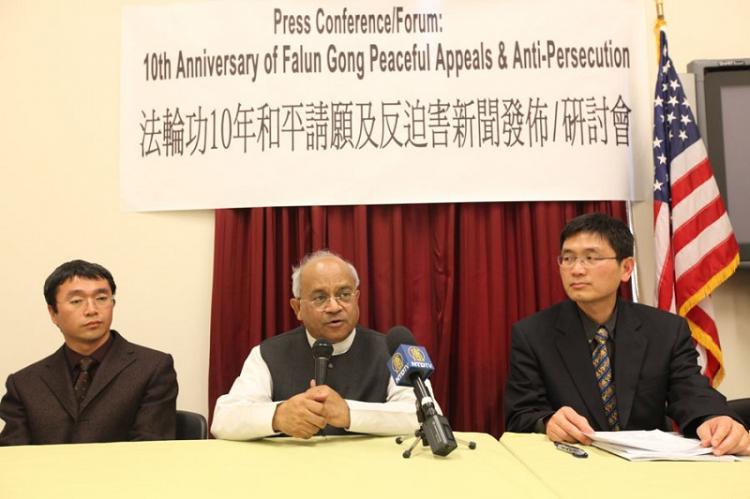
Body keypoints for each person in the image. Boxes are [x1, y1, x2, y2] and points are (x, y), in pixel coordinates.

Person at [504, 213, 750, 456]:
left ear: (626, 268)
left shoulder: (665, 330)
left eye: (591, 258)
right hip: (574, 465)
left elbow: (691, 392)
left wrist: (716, 418)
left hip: (648, 468)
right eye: (567, 259)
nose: (576, 269)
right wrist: (547, 422)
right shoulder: (533, 334)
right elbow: (520, 414)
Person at [211, 250, 428, 440]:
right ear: (297, 308)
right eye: (320, 297)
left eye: (344, 294)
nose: (334, 306)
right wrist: (277, 416)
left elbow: (424, 415)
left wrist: (349, 413)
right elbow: (223, 420)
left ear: (357, 299)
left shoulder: (391, 350)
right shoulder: (268, 353)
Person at [0, 260, 178, 445]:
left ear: (113, 304)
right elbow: (14, 457)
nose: (92, 310)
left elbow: (151, 448)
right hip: (47, 474)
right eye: (77, 301)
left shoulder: (152, 368)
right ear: (53, 313)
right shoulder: (24, 384)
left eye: (101, 298)